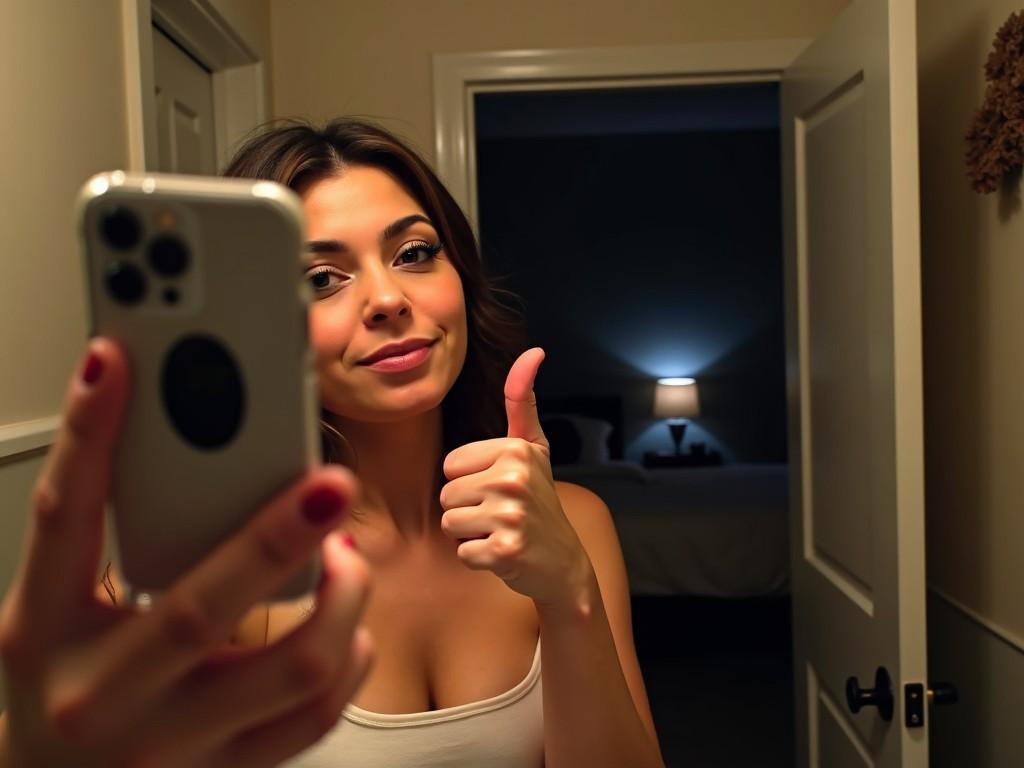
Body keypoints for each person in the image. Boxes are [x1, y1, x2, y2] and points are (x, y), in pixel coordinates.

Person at [0, 118, 664, 768]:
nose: (386, 298)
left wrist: (567, 591)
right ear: (258, 325)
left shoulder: (574, 525)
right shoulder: (230, 564)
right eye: (320, 278)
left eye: (414, 253)